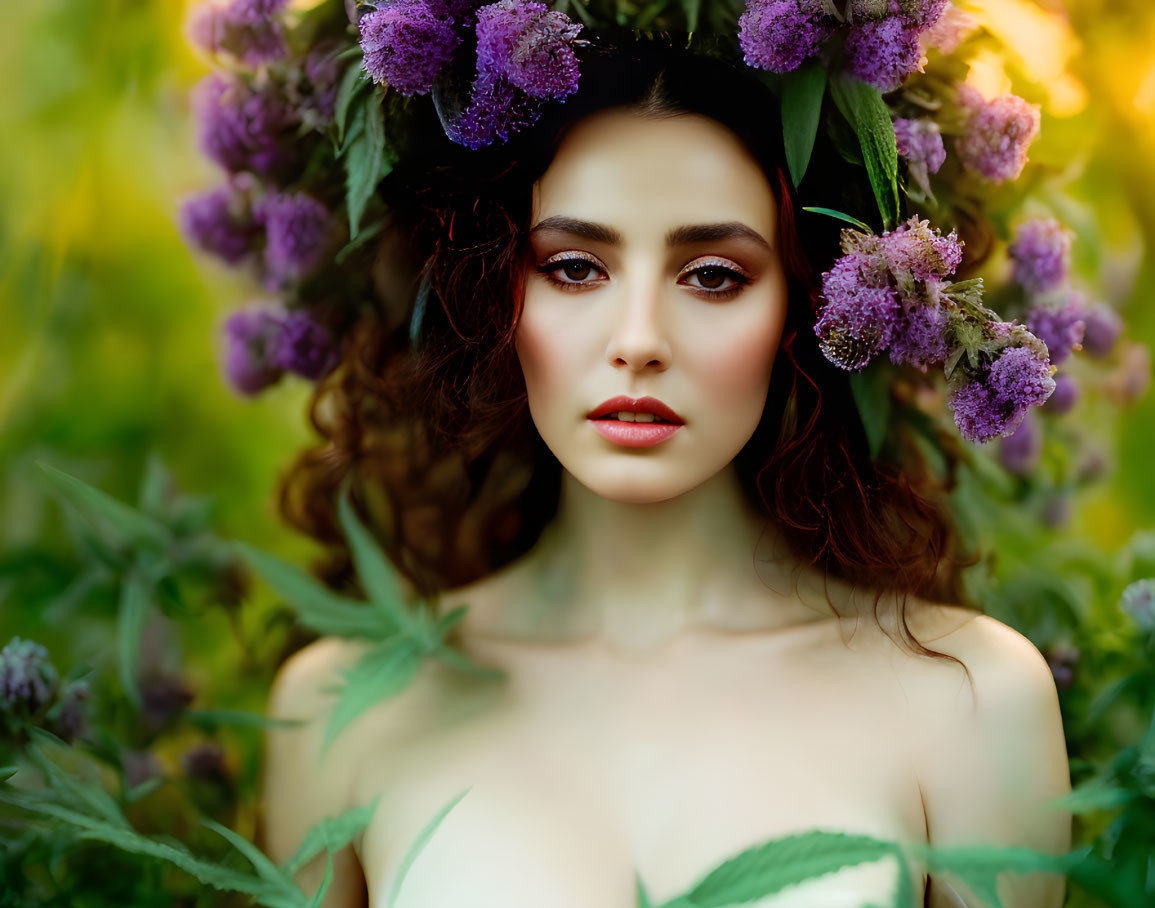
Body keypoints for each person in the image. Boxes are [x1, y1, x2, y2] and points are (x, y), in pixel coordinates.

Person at [259, 32, 1072, 908]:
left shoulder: (967, 700)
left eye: (713, 276)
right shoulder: (344, 707)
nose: (638, 340)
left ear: (803, 305)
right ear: (497, 293)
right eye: (574, 268)